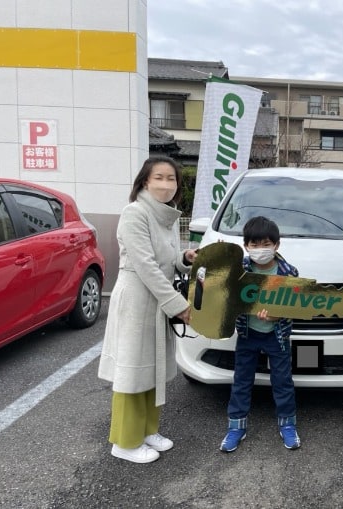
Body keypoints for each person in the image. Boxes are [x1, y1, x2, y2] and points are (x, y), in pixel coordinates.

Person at [98, 156, 197, 464]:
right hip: (138, 300)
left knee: (152, 369)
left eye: (171, 179)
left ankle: (146, 430)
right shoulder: (135, 213)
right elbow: (145, 266)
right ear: (144, 182)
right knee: (132, 372)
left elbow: (165, 260)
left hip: (156, 299)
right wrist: (179, 305)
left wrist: (185, 258)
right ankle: (125, 442)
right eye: (159, 178)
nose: (166, 184)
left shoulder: (164, 216)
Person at [219, 216, 301, 452]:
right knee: (241, 381)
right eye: (254, 245)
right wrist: (221, 260)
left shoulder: (288, 271)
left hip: (278, 335)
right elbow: (222, 291)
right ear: (246, 245)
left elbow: (297, 304)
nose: (260, 250)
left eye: (265, 244)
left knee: (283, 382)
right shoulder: (239, 269)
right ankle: (236, 427)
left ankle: (288, 425)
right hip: (248, 333)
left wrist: (278, 315)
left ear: (276, 244)